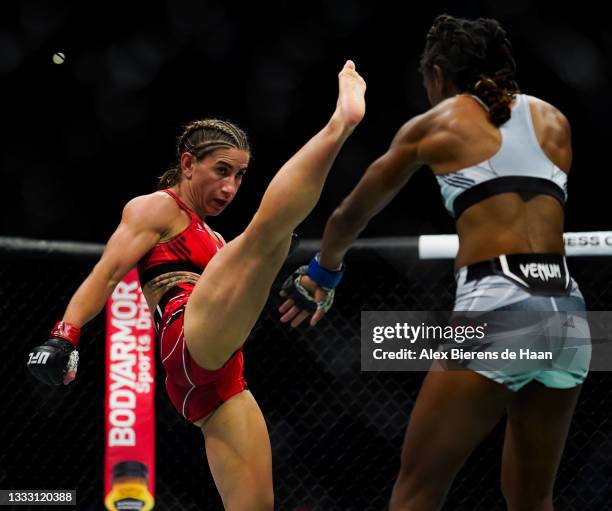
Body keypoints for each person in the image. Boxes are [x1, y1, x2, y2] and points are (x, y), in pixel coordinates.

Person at [279, 15, 590, 511]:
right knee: (532, 500)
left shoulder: (437, 124)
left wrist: (324, 271)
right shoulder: (555, 121)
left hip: (499, 305)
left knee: (416, 490)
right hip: (569, 314)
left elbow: (347, 214)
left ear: (439, 75)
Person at [26, 60, 366, 511]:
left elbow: (232, 301)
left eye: (240, 175)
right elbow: (106, 273)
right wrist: (64, 334)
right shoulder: (157, 209)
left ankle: (305, 267)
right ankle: (340, 125)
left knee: (257, 506)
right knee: (271, 232)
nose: (230, 187)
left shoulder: (217, 238)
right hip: (185, 335)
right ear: (187, 164)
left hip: (219, 377)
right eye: (221, 170)